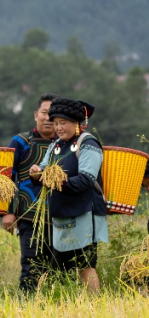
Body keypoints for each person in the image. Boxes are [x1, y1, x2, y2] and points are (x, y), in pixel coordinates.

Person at [40, 98, 106, 292]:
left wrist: (58, 181)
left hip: (85, 212)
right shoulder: (56, 146)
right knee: (57, 268)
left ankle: (94, 306)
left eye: (64, 123)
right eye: (56, 123)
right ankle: (54, 305)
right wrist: (37, 172)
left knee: (85, 266)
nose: (59, 128)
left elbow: (86, 179)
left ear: (77, 123)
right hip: (62, 213)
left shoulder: (88, 144)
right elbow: (43, 169)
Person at [2, 93, 58, 292]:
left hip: (60, 215)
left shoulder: (66, 144)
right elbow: (7, 178)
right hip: (28, 215)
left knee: (57, 266)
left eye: (54, 114)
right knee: (31, 263)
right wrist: (8, 212)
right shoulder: (21, 141)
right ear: (36, 115)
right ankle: (27, 307)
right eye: (45, 112)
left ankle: (55, 306)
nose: (49, 118)